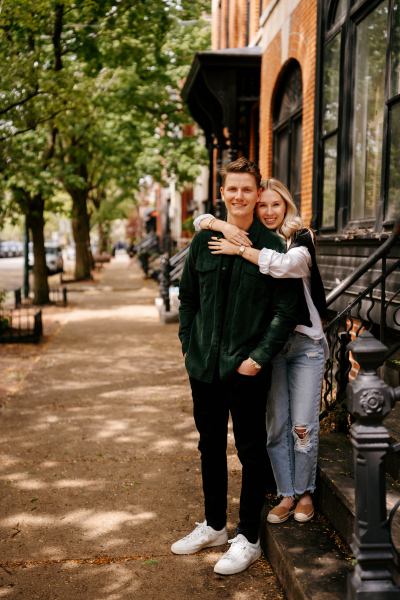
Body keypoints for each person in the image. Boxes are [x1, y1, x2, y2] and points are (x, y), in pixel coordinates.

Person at [173, 158, 300, 575]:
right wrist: (188, 345)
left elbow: (285, 311)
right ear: (223, 193)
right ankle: (213, 526)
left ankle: (247, 537)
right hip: (203, 368)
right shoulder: (203, 240)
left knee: (250, 450)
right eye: (233, 189)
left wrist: (257, 358)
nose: (240, 196)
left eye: (248, 189)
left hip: (245, 368)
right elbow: (188, 297)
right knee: (209, 445)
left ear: (257, 191)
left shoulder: (273, 246)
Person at [194, 177, 328, 524]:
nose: (268, 211)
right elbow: (200, 222)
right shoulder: (252, 235)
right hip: (272, 347)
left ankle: (306, 492)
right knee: (275, 426)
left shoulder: (300, 238)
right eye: (263, 204)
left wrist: (239, 248)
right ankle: (285, 494)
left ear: (287, 206)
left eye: (276, 205)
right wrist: (218, 223)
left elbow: (286, 267)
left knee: (301, 425)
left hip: (304, 344)